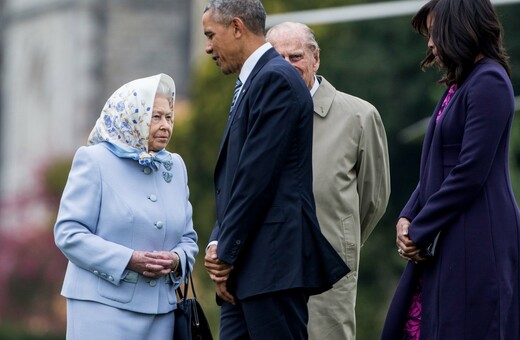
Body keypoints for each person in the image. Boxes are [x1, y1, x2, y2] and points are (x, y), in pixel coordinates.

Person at [201, 1, 350, 339]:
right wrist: (218, 245)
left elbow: (256, 179)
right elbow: (238, 179)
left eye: (211, 35)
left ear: (237, 28)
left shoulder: (275, 80)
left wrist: (226, 254)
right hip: (248, 270)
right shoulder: (259, 80)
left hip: (273, 268)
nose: (208, 47)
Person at [381, 0, 520, 338]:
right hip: (450, 235)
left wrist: (420, 230)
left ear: (461, 28)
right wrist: (408, 216)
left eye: (435, 33)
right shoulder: (460, 85)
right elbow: (438, 165)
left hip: (478, 242)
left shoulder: (490, 82)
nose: (430, 43)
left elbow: (469, 171)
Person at [266, 22, 390, 340]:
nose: (287, 66)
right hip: (268, 267)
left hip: (331, 264)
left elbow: (373, 198)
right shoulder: (256, 114)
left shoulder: (360, 117)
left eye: (295, 56)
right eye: (277, 59)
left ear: (315, 58)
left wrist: (342, 239)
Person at [54, 73, 199, 339]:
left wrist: (177, 259)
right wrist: (129, 260)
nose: (166, 125)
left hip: (162, 314)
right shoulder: (94, 160)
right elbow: (69, 233)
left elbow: (189, 238)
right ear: (131, 115)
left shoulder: (175, 166)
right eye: (155, 116)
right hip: (100, 309)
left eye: (169, 117)